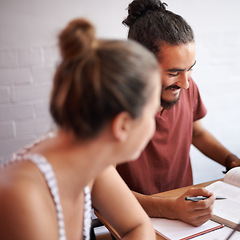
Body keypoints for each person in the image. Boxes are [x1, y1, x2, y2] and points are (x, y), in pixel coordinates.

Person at [116, 0, 240, 227]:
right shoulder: (111, 106)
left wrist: (232, 162)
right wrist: (170, 208)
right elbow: (103, 191)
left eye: (190, 69)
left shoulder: (186, 87)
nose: (185, 83)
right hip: (134, 219)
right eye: (174, 73)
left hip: (183, 212)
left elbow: (196, 132)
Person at [0, 18, 161, 240]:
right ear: (123, 125)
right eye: (152, 114)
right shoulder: (23, 197)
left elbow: (138, 225)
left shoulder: (92, 160)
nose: (154, 125)